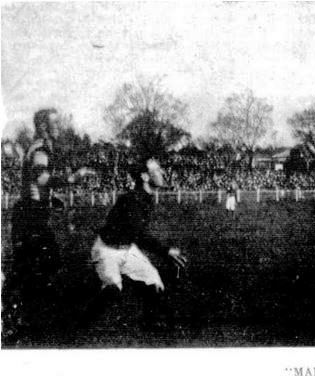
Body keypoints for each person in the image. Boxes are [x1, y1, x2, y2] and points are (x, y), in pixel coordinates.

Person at [8, 108, 92, 337]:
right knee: (40, 265)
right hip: (31, 216)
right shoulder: (41, 149)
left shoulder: (40, 147)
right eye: (55, 122)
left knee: (36, 265)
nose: (59, 126)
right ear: (44, 126)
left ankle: (19, 314)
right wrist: (72, 178)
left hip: (32, 213)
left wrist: (51, 200)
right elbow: (41, 178)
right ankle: (20, 317)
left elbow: (36, 184)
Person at [82, 157, 188, 329]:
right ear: (145, 177)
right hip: (107, 250)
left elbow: (135, 234)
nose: (162, 173)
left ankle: (150, 324)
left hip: (127, 248)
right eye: (157, 170)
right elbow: (138, 234)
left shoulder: (144, 198)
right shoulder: (133, 200)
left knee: (153, 281)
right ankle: (79, 326)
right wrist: (165, 251)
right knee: (113, 290)